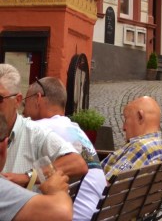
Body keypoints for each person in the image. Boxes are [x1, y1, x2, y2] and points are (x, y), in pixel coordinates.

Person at [22, 78, 106, 221]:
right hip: (97, 213)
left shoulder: (41, 128)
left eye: (25, 102)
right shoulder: (74, 128)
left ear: (38, 98)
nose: (23, 111)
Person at [0, 65, 87, 189]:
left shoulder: (34, 132)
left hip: (27, 207)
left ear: (18, 100)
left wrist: (27, 177)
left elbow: (77, 163)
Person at [0, 114, 72, 221]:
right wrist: (57, 191)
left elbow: (77, 162)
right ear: (4, 145)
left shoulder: (36, 129)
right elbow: (62, 213)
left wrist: (27, 177)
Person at [101, 97, 162, 182]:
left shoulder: (140, 148)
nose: (123, 127)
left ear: (140, 116)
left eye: (126, 119)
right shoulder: (157, 146)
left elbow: (109, 185)